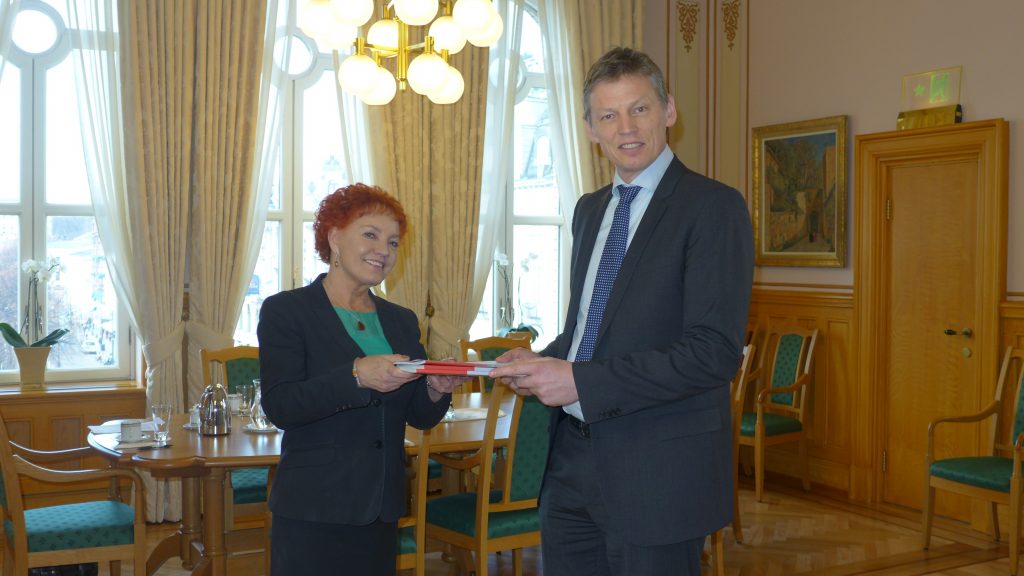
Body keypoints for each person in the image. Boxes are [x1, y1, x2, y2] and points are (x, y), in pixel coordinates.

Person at [489, 47, 754, 575]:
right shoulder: (589, 211)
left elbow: (713, 352)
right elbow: (589, 331)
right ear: (590, 128)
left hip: (658, 470)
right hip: (570, 463)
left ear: (669, 111)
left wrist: (581, 382)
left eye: (639, 109)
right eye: (608, 115)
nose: (626, 127)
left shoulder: (713, 207)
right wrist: (540, 362)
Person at [257, 183, 461, 575]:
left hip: (380, 507)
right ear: (334, 238)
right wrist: (355, 377)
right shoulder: (287, 311)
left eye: (393, 242)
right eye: (370, 235)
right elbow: (281, 405)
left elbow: (418, 415)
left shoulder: (401, 321)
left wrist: (436, 389)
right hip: (314, 508)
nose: (383, 251)